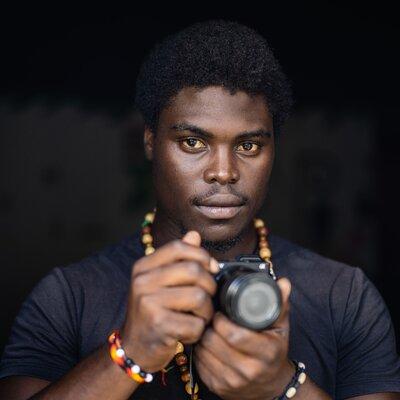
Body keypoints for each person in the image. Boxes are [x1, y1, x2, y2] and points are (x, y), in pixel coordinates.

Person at [0, 20, 399, 400]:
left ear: (273, 150)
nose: (223, 172)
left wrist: (280, 384)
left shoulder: (343, 296)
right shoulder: (70, 296)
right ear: (150, 141)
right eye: (193, 142)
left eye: (248, 146)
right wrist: (129, 353)